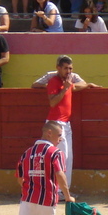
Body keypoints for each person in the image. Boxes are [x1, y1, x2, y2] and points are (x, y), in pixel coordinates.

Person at [43, 55, 99, 185]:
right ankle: (57, 190)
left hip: (65, 124)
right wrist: (66, 88)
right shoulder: (54, 81)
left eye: (70, 69)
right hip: (56, 124)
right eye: (65, 68)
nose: (68, 71)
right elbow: (52, 102)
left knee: (67, 159)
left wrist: (88, 85)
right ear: (58, 68)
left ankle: (64, 190)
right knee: (60, 158)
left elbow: (75, 87)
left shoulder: (67, 82)